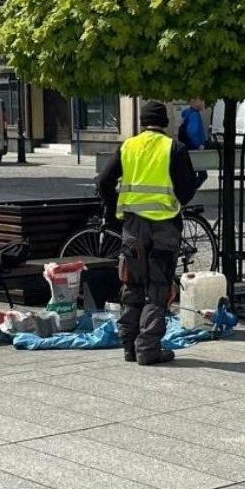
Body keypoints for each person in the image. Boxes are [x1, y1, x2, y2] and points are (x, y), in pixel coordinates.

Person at [95, 100, 199, 366]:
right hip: (164, 227)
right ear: (165, 122)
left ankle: (129, 347)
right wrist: (175, 201)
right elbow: (187, 189)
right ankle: (148, 348)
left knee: (132, 284)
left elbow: (104, 181)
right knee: (158, 287)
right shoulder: (174, 148)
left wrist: (113, 209)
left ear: (142, 121)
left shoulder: (128, 146)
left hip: (132, 226)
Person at [178, 99, 210, 188]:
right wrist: (199, 145)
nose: (203, 103)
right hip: (195, 148)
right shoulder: (194, 115)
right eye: (201, 100)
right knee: (202, 174)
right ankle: (191, 190)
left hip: (189, 148)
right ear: (194, 102)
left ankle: (190, 189)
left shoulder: (187, 114)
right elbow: (193, 132)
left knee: (194, 172)